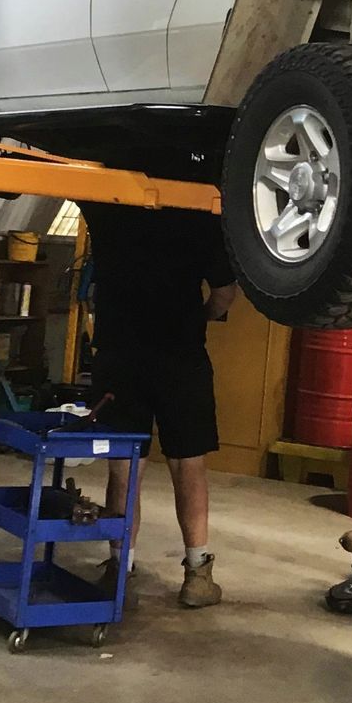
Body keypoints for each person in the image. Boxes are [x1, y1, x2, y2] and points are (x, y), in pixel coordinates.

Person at [78, 202, 236, 608]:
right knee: (188, 462)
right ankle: (198, 574)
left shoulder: (106, 205)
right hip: (180, 355)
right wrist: (197, 316)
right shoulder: (199, 211)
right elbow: (223, 294)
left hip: (119, 353)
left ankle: (120, 567)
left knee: (125, 466)